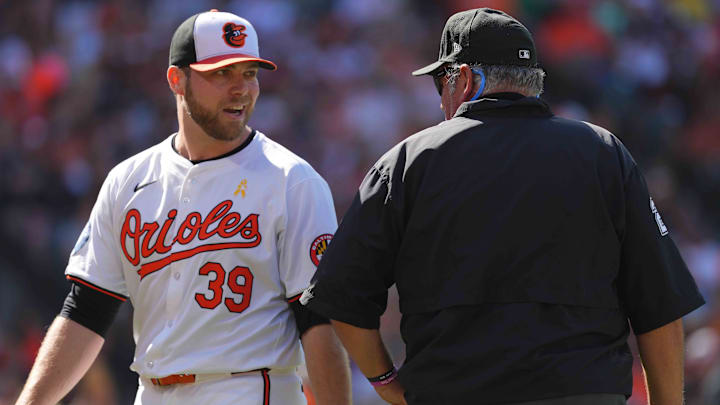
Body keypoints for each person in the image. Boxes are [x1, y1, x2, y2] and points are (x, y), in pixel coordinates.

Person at [303, 7, 705, 405]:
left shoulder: (408, 161)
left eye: (439, 83)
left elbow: (343, 297)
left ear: (463, 79)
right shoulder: (603, 153)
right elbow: (660, 305)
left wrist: (387, 380)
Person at [15, 9, 351, 405]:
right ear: (177, 79)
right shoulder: (128, 181)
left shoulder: (292, 181)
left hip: (246, 388)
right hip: (152, 391)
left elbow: (319, 323)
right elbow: (86, 311)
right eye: (221, 73)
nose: (241, 89)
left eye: (249, 73)